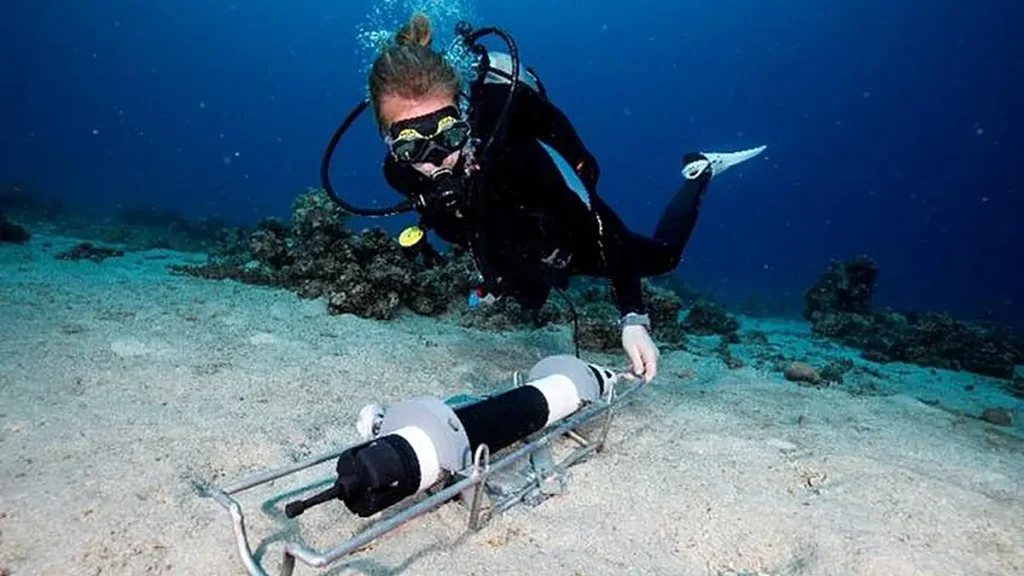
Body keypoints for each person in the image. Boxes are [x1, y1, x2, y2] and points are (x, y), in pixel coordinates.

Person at [367, 13, 765, 383]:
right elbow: (468, 226)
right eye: (411, 146)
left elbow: (601, 221)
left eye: (449, 135)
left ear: (465, 114)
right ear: (387, 142)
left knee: (664, 258)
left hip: (569, 234)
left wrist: (633, 317)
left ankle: (699, 171)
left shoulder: (514, 151)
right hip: (512, 242)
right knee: (529, 296)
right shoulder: (397, 175)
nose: (436, 158)